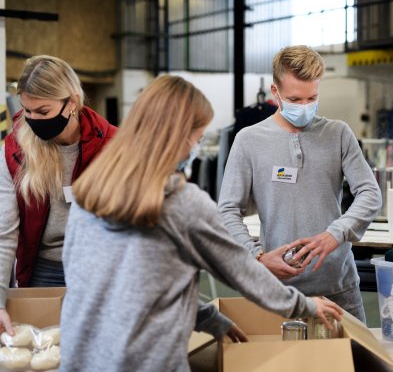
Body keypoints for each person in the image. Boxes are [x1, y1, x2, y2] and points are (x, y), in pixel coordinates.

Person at [59, 75, 342, 372]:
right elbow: (242, 271)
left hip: (80, 358)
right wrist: (305, 305)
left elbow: (131, 285)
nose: (196, 147)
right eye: (197, 137)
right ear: (178, 138)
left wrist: (207, 318)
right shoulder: (181, 203)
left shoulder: (87, 193)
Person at [218, 45, 382, 324]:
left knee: (355, 364)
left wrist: (336, 234)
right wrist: (256, 256)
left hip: (339, 287)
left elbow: (370, 193)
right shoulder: (249, 140)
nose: (305, 107)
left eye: (312, 98)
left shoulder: (338, 134)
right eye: (295, 99)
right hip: (278, 290)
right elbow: (227, 211)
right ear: (275, 92)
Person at [0, 55, 118, 336]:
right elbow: (4, 231)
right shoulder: (16, 148)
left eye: (43, 111)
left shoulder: (112, 146)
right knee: (43, 351)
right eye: (27, 111)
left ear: (72, 102)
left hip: (99, 272)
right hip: (42, 271)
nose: (32, 120)